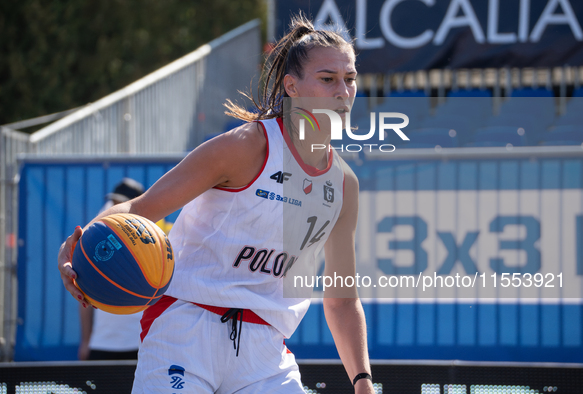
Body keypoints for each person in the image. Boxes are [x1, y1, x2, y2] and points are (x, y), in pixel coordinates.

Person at [59, 14, 374, 393]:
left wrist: (363, 382)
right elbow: (140, 209)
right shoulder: (243, 148)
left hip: (265, 351)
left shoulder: (343, 184)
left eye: (350, 79)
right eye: (328, 79)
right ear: (292, 86)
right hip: (186, 328)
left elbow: (341, 300)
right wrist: (80, 241)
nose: (343, 91)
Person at [78, 178, 145, 360]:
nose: (117, 207)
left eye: (122, 203)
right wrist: (86, 340)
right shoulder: (98, 242)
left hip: (140, 344)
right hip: (102, 344)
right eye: (115, 203)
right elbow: (83, 296)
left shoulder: (153, 246)